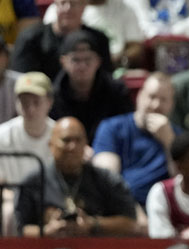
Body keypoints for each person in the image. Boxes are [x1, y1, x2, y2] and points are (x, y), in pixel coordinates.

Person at [16, 117, 138, 237]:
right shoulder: (33, 182)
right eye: (66, 140)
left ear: (86, 144)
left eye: (78, 140)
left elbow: (131, 223)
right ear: (50, 145)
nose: (72, 147)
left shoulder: (106, 179)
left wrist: (93, 224)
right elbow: (18, 229)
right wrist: (46, 231)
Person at [93, 73, 178, 207]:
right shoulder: (111, 128)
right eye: (152, 97)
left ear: (172, 105)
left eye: (164, 100)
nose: (156, 105)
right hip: (121, 207)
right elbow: (106, 180)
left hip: (162, 208)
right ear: (139, 97)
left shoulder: (177, 136)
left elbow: (184, 181)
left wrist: (170, 142)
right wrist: (132, 210)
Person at [11, 0, 111, 79]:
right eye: (63, 3)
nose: (67, 9)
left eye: (73, 3)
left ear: (84, 6)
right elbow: (21, 80)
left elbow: (107, 82)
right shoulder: (30, 38)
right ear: (54, 6)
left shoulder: (99, 40)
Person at [48, 30, 131, 141]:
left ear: (98, 61)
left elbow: (126, 129)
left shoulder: (117, 91)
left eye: (88, 60)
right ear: (63, 62)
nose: (82, 66)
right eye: (76, 60)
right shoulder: (52, 96)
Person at [42, 0, 144, 68]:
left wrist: (116, 59)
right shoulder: (60, 9)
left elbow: (135, 47)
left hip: (113, 68)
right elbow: (48, 42)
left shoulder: (124, 9)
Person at [0, 71, 53, 187]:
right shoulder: (2, 135)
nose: (30, 109)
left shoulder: (61, 136)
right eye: (24, 102)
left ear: (49, 102)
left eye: (36, 102)